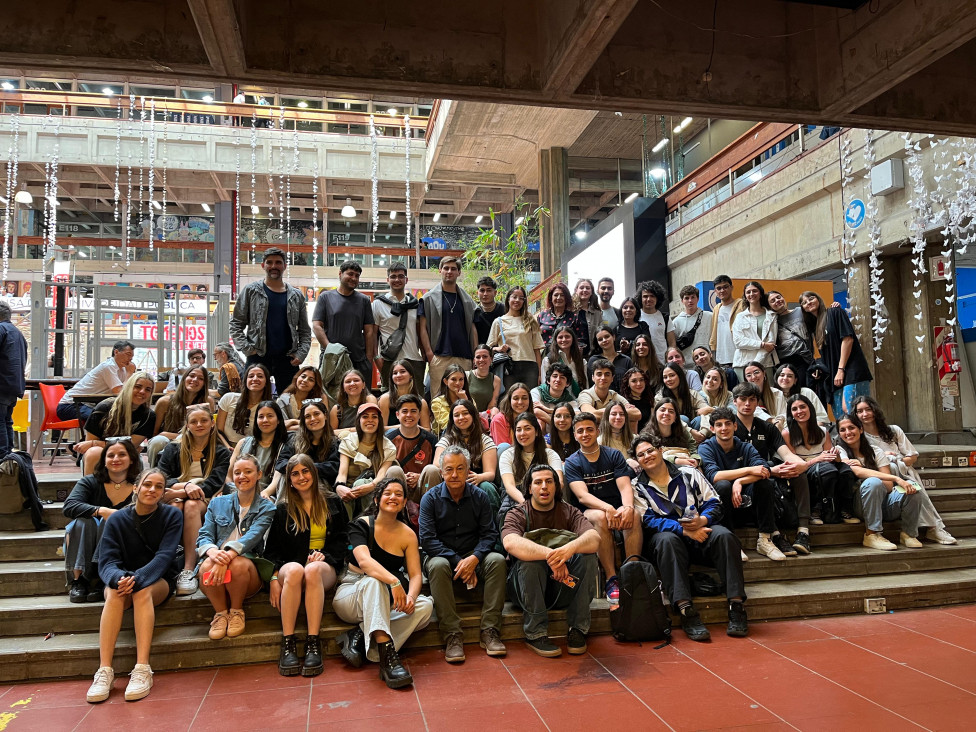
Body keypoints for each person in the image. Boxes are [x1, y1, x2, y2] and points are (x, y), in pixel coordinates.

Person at [632, 434, 748, 641]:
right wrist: (683, 529)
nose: (647, 456)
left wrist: (702, 521)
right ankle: (686, 611)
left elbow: (714, 501)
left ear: (660, 450)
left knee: (725, 536)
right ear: (638, 461)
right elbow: (648, 520)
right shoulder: (637, 486)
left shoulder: (688, 473)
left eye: (650, 450)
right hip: (669, 542)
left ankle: (737, 606)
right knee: (666, 539)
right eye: (641, 454)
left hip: (701, 533)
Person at [85, 468, 182, 703]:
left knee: (142, 592)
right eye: (148, 484)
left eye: (159, 487)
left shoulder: (171, 516)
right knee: (116, 593)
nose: (153, 490)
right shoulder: (118, 518)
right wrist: (119, 578)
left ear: (163, 492)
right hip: (122, 580)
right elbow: (107, 560)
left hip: (156, 580)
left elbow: (165, 556)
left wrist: (137, 579)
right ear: (136, 487)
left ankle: (142, 669)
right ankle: (104, 671)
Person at [333, 476, 434, 688]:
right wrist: (394, 582)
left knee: (425, 606)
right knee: (374, 582)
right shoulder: (360, 525)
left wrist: (411, 598)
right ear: (377, 499)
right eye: (388, 493)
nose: (393, 497)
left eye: (399, 494)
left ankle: (361, 635)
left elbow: (416, 575)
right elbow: (365, 562)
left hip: (384, 599)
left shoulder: (408, 534)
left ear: (405, 502)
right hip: (352, 593)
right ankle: (388, 659)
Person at [419, 445, 507, 663]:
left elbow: (490, 534)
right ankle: (452, 635)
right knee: (438, 566)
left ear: (469, 471)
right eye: (449, 469)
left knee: (496, 560)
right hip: (442, 556)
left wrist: (474, 558)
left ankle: (490, 631)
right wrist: (460, 562)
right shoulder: (429, 499)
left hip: (473, 554)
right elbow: (428, 540)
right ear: (441, 472)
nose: (455, 475)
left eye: (460, 469)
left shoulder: (480, 496)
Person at [264, 454, 348, 676]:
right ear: (289, 480)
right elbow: (271, 550)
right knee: (295, 569)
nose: (301, 477)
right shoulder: (283, 509)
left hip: (322, 569)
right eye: (295, 473)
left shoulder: (333, 502)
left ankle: (313, 642)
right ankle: (288, 642)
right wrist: (273, 577)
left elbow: (343, 540)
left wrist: (327, 557)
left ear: (314, 472)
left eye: (305, 471)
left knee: (311, 570)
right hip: (291, 571)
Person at [502, 464, 599, 656]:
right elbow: (510, 542)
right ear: (529, 488)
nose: (544, 487)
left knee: (588, 557)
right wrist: (552, 557)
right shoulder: (518, 513)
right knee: (529, 563)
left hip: (561, 587)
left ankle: (578, 629)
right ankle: (535, 634)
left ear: (556, 486)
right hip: (525, 591)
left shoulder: (569, 512)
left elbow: (594, 539)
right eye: (538, 482)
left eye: (549, 481)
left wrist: (568, 551)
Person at [852, 396, 956, 544]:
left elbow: (912, 456)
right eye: (860, 411)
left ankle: (931, 528)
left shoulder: (893, 430)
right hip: (883, 478)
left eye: (868, 409)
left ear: (875, 410)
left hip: (904, 472)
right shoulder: (860, 437)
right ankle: (933, 526)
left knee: (910, 485)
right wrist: (886, 460)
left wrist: (897, 460)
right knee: (898, 474)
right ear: (855, 415)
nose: (864, 414)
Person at [196, 453, 275, 640]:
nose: (242, 476)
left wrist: (227, 555)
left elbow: (252, 537)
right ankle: (221, 614)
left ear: (259, 474)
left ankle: (237, 611)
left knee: (238, 564)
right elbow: (205, 534)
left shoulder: (267, 507)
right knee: (206, 565)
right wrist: (213, 552)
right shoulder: (217, 503)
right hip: (216, 563)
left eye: (248, 471)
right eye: (237, 472)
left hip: (247, 568)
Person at [564, 412, 641, 603]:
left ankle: (633, 574)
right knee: (599, 517)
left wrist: (628, 507)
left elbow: (624, 486)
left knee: (635, 515)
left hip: (615, 506)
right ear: (574, 435)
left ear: (597, 431)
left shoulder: (613, 455)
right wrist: (608, 508)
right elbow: (582, 496)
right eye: (580, 431)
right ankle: (611, 578)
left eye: (590, 429)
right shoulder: (573, 462)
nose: (585, 434)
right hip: (588, 511)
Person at [157, 403, 233, 595]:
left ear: (212, 424)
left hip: (205, 499)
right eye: (194, 421)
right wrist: (185, 486)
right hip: (175, 495)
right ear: (187, 425)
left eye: (204, 420)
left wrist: (179, 491)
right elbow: (162, 476)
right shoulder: (172, 449)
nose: (199, 424)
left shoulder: (222, 452)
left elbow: (212, 485)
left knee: (190, 505)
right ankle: (166, 564)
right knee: (175, 505)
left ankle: (189, 568)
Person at [732, 383, 816, 554]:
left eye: (752, 399)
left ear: (757, 403)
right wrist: (770, 471)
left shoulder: (767, 427)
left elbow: (787, 454)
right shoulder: (728, 426)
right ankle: (776, 535)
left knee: (797, 473)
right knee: (765, 482)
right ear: (734, 402)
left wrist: (799, 465)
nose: (747, 404)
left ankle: (803, 532)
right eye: (743, 399)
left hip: (767, 472)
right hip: (743, 478)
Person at [699, 407, 785, 561]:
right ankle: (732, 542)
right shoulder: (706, 447)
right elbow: (715, 476)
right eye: (719, 425)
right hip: (722, 505)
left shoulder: (745, 446)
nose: (724, 428)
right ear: (712, 429)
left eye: (727, 424)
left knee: (765, 483)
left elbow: (764, 470)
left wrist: (740, 481)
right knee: (723, 485)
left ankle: (765, 539)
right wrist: (749, 470)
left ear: (735, 426)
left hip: (746, 501)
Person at [835, 414, 930, 551]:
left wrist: (894, 480)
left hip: (884, 503)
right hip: (859, 507)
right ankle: (872, 534)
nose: (848, 432)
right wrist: (897, 478)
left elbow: (888, 486)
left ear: (861, 429)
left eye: (851, 428)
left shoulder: (875, 451)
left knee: (912, 490)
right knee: (873, 483)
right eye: (842, 430)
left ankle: (908, 534)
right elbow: (858, 472)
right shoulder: (840, 451)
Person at [63, 438, 141, 603]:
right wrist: (101, 511)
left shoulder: (140, 485)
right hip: (86, 540)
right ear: (104, 461)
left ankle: (102, 577)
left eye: (122, 454)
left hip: (123, 545)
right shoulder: (90, 482)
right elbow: (69, 506)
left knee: (111, 522)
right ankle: (80, 581)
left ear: (132, 459)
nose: (116, 459)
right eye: (110, 455)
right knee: (81, 522)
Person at [229, 247, 311, 395]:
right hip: (257, 357)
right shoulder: (250, 291)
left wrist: (301, 354)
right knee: (252, 402)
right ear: (263, 265)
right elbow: (235, 324)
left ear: (285, 266)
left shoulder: (296, 295)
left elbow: (305, 330)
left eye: (278, 262)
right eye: (270, 262)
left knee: (290, 402)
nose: (274, 266)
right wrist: (248, 349)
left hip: (288, 359)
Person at [782, 393, 853, 542]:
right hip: (803, 469)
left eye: (803, 407)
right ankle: (817, 510)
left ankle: (843, 509)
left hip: (824, 465)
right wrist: (818, 459)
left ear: (810, 409)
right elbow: (794, 462)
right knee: (826, 471)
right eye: (795, 409)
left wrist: (835, 455)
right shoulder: (787, 433)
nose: (800, 411)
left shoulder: (822, 431)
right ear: (791, 414)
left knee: (845, 470)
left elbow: (829, 455)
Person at [801, 290, 873, 417]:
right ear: (803, 308)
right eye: (804, 302)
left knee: (852, 410)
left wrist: (841, 369)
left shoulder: (834, 312)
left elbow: (848, 339)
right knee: (840, 415)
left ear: (818, 298)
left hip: (851, 369)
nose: (809, 303)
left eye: (811, 298)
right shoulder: (815, 327)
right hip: (833, 374)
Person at [418, 256, 477, 398]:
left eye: (453, 269)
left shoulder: (468, 301)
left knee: (463, 398)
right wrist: (429, 354)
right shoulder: (428, 298)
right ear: (440, 271)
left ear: (459, 272)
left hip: (464, 357)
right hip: (439, 357)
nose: (449, 271)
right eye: (446, 268)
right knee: (438, 399)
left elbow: (472, 328)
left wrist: (475, 354)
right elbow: (422, 328)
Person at [77, 372, 156, 475]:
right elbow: (89, 444)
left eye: (148, 390)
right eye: (137, 387)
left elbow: (130, 446)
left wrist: (96, 443)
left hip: (126, 455)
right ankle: (91, 490)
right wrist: (94, 444)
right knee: (94, 452)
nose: (142, 392)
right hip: (99, 454)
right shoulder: (104, 408)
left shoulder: (149, 416)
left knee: (126, 455)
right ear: (128, 386)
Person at [312, 260, 376, 382]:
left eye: (357, 276)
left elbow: (369, 331)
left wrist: (368, 359)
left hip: (358, 360)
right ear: (340, 273)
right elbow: (317, 326)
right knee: (330, 397)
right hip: (331, 359)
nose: (354, 278)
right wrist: (330, 349)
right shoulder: (325, 297)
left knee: (359, 398)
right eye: (350, 274)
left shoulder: (364, 300)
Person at [433, 399, 501, 512]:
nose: (461, 417)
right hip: (451, 480)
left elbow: (490, 473)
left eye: (465, 413)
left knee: (487, 487)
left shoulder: (484, 440)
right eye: (456, 415)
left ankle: (493, 526)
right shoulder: (447, 440)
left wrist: (479, 477)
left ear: (473, 415)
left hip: (476, 481)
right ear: (452, 419)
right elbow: (436, 465)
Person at [335, 403, 400, 519]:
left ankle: (370, 525)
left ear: (379, 421)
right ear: (359, 420)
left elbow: (381, 475)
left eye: (374, 417)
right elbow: (342, 473)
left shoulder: (388, 447)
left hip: (374, 488)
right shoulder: (348, 441)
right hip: (350, 490)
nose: (370, 420)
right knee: (342, 496)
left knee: (361, 483)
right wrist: (339, 486)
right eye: (365, 416)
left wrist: (369, 486)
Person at [146, 364, 213, 466]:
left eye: (200, 378)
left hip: (197, 443)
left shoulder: (208, 401)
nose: (195, 380)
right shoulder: (165, 402)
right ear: (184, 378)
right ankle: (154, 476)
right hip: (168, 443)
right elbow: (154, 434)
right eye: (192, 376)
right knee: (158, 441)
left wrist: (177, 436)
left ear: (204, 384)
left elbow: (210, 431)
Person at [272, 399, 339, 499]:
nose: (312, 419)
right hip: (295, 485)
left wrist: (307, 469)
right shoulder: (294, 439)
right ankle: (284, 509)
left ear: (325, 415)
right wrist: (299, 470)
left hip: (321, 485)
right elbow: (281, 462)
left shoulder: (334, 442)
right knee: (284, 477)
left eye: (316, 414)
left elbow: (334, 466)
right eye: (307, 416)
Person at [372, 261, 424, 390]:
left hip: (413, 359)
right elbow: (372, 334)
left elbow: (421, 333)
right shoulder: (378, 304)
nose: (397, 279)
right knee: (389, 402)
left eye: (401, 276)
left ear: (406, 280)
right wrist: (377, 358)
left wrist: (424, 357)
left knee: (417, 402)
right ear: (387, 280)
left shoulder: (415, 304)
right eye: (393, 276)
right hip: (389, 361)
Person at [58, 340, 137, 424]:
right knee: (103, 420)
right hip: (71, 405)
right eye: (128, 354)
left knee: (124, 416)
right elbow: (119, 392)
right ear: (116, 352)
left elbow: (126, 390)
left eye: (132, 356)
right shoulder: (108, 366)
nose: (130, 359)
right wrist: (129, 374)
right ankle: (92, 438)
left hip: (89, 405)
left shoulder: (123, 369)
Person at [225, 400, 289, 498]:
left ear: (279, 420)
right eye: (261, 416)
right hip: (238, 493)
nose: (265, 420)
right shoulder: (243, 443)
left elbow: (279, 479)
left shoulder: (285, 447)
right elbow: (229, 475)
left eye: (270, 416)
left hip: (268, 496)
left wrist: (265, 494)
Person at [499, 411, 564, 506]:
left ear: (537, 431)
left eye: (527, 429)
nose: (522, 433)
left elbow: (559, 482)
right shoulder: (507, 455)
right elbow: (510, 487)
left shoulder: (550, 455)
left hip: (546, 496)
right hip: (517, 498)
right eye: (518, 430)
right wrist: (528, 505)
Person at [385, 394, 440, 501]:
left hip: (424, 487)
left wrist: (420, 476)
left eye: (413, 411)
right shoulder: (388, 440)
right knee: (394, 470)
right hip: (398, 487)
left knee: (432, 470)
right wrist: (402, 477)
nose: (409, 415)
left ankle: (429, 512)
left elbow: (437, 470)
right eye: (405, 411)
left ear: (419, 414)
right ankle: (398, 515)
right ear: (397, 414)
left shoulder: (431, 440)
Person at [489, 285, 544, 390]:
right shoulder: (499, 321)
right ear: (508, 298)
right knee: (509, 399)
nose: (517, 300)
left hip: (530, 366)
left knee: (530, 398)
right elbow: (489, 348)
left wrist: (540, 374)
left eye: (521, 298)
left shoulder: (530, 320)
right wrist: (499, 349)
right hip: (509, 366)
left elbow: (537, 349)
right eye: (514, 297)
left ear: (524, 301)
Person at [217, 363, 273, 447]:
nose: (255, 379)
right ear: (245, 381)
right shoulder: (229, 398)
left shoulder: (269, 407)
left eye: (260, 376)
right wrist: (228, 448)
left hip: (253, 449)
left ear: (266, 382)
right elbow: (218, 431)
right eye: (251, 376)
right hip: (225, 447)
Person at [732, 281, 778, 381]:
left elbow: (770, 344)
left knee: (766, 395)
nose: (751, 294)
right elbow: (738, 341)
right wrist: (761, 344)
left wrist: (754, 365)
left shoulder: (771, 316)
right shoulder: (740, 317)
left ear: (760, 293)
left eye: (754, 291)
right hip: (742, 364)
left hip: (765, 363)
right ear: (745, 296)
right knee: (745, 395)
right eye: (748, 292)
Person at [767, 290, 814, 388]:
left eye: (779, 297)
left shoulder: (800, 311)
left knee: (806, 390)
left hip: (803, 358)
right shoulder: (771, 321)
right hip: (784, 361)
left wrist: (834, 307)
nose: (777, 301)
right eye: (772, 300)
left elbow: (818, 315)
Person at [578, 359, 641, 430]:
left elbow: (637, 414)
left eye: (607, 374)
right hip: (594, 436)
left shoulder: (614, 395)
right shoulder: (585, 394)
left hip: (612, 434)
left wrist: (603, 413)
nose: (603, 378)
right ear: (593, 377)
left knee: (633, 420)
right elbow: (590, 415)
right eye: (599, 374)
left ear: (612, 378)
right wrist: (617, 412)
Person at [0, 300, 27, 460]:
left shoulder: (1, 329)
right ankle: (9, 456)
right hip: (14, 385)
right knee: (7, 420)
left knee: (0, 421)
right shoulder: (18, 333)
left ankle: (2, 457)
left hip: (2, 384)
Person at [644, 397, 701, 468]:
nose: (666, 413)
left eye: (671, 411)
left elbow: (693, 448)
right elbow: (649, 457)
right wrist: (676, 460)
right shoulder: (646, 436)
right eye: (662, 410)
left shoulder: (683, 432)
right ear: (655, 413)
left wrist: (695, 459)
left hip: (688, 464)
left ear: (676, 417)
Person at [378, 359, 432, 430]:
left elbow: (427, 429)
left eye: (402, 372)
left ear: (411, 375)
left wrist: (412, 428)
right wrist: (403, 427)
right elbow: (381, 429)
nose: (398, 375)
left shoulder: (421, 402)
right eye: (395, 373)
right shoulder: (385, 399)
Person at [658, 363, 708, 439]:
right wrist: (690, 432)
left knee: (699, 419)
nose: (668, 379)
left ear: (680, 376)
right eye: (665, 377)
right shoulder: (660, 397)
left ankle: (695, 444)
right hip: (670, 434)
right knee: (683, 418)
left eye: (672, 375)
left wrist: (703, 433)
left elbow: (708, 412)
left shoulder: (692, 393)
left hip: (697, 435)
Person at [775, 363, 829, 429]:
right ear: (777, 378)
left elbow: (821, 418)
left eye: (790, 376)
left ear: (795, 380)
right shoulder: (772, 396)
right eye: (782, 375)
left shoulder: (807, 392)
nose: (785, 378)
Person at [537, 282, 588, 351]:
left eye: (562, 295)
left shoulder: (574, 317)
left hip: (566, 356)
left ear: (566, 298)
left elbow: (580, 341)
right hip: (544, 355)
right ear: (551, 298)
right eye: (556, 295)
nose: (559, 298)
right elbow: (536, 338)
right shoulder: (542, 315)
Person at [330, 369, 378, 438]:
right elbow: (332, 434)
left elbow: (370, 428)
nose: (352, 383)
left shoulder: (370, 400)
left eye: (356, 380)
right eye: (348, 381)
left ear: (363, 385)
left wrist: (345, 431)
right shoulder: (336, 409)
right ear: (343, 387)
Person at [708, 275, 743, 369]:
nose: (722, 290)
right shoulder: (716, 309)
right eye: (719, 288)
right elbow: (714, 333)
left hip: (740, 355)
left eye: (725, 287)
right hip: (721, 358)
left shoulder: (741, 305)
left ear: (731, 288)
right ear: (715, 291)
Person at [541, 325, 588, 395]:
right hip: (557, 400)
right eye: (560, 337)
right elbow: (545, 384)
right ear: (556, 340)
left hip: (578, 399)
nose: (564, 340)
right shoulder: (548, 360)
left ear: (573, 339)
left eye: (567, 337)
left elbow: (585, 384)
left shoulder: (581, 361)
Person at [636, 280, 675, 363]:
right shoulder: (636, 317)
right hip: (642, 363)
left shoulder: (665, 318)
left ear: (657, 298)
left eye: (652, 296)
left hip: (662, 362)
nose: (649, 299)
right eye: (645, 296)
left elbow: (672, 343)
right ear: (640, 298)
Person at [531, 362, 578, 431]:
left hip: (562, 432)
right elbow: (536, 411)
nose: (558, 380)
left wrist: (547, 410)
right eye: (555, 376)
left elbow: (577, 415)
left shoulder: (569, 400)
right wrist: (557, 426)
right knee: (540, 421)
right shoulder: (537, 392)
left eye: (562, 377)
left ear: (567, 383)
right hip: (550, 430)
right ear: (548, 380)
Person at [276, 366, 326, 431]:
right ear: (297, 378)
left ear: (315, 385)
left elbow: (322, 425)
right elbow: (280, 427)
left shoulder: (319, 400)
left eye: (311, 380)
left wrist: (292, 422)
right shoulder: (283, 400)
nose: (305, 380)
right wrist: (296, 422)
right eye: (303, 376)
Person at [673, 285, 713, 363]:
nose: (690, 301)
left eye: (693, 297)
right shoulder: (676, 322)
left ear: (697, 299)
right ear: (682, 301)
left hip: (707, 363)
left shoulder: (710, 316)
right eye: (687, 298)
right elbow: (674, 346)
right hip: (687, 365)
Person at [489, 381, 532, 452]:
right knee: (504, 447)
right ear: (509, 400)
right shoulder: (499, 420)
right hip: (507, 458)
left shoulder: (532, 419)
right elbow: (503, 450)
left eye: (524, 398)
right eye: (516, 398)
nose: (520, 402)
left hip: (529, 455)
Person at [743, 361, 787, 428]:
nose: (753, 377)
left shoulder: (777, 393)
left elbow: (784, 414)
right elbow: (755, 413)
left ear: (764, 373)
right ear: (746, 379)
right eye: (748, 375)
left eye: (756, 372)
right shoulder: (744, 397)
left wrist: (779, 422)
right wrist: (772, 421)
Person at [587, 326, 632, 392]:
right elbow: (591, 385)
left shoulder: (626, 360)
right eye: (600, 339)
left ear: (613, 337)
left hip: (624, 400)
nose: (604, 340)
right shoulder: (593, 360)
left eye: (607, 336)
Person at [430, 364, 470, 434]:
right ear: (445, 381)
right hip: (447, 436)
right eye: (453, 379)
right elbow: (447, 425)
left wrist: (465, 401)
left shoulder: (468, 398)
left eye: (461, 379)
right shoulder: (437, 402)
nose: (458, 383)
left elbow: (476, 421)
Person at [466, 344, 502, 418]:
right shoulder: (466, 376)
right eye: (478, 357)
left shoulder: (496, 380)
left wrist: (483, 417)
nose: (481, 360)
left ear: (491, 359)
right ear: (474, 360)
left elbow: (492, 405)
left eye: (485, 356)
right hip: (467, 415)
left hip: (485, 417)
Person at [572, 278, 602, 356]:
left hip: (591, 354)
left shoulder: (597, 313)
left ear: (591, 292)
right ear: (576, 290)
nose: (584, 290)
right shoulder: (570, 311)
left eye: (588, 288)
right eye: (581, 288)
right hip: (572, 355)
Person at [472, 275, 504, 346]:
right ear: (477, 293)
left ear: (495, 293)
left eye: (489, 290)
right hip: (482, 354)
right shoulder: (474, 312)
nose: (485, 294)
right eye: (482, 290)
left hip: (502, 353)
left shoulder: (504, 310)